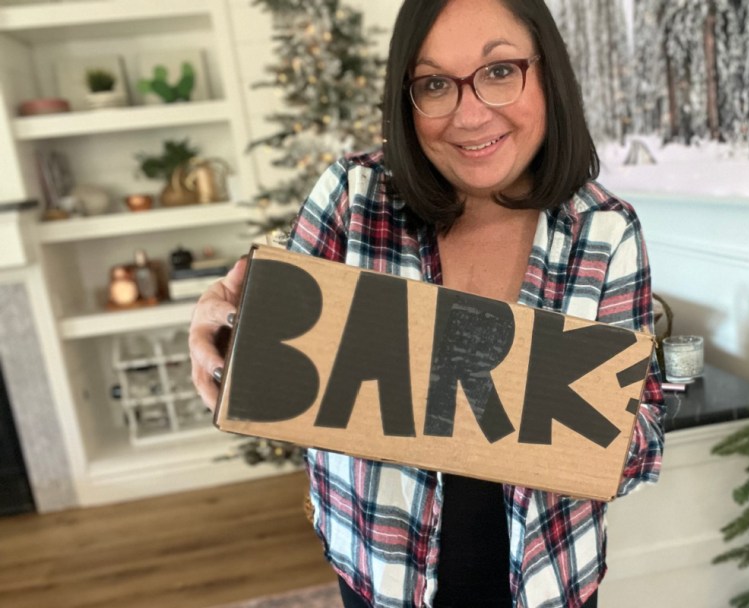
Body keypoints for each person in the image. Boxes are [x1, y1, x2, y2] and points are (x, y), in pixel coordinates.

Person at [190, 0, 665, 606]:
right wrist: (231, 333)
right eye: (435, 83)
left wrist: (582, 419)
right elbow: (270, 359)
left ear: (550, 73)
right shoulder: (353, 199)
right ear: (405, 96)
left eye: (500, 71)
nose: (470, 115)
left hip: (548, 579)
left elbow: (640, 443)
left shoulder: (606, 231)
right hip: (382, 572)